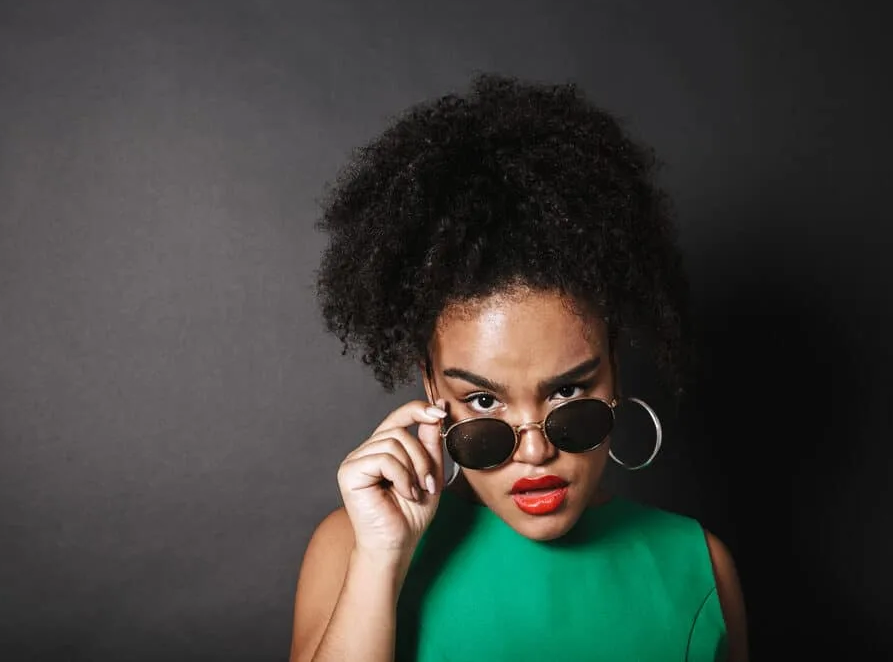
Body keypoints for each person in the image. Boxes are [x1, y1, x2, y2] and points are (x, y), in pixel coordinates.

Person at [289, 73, 748, 662]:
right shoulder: (354, 550)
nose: (533, 453)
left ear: (614, 369)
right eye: (484, 402)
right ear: (433, 389)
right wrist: (381, 562)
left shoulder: (699, 568)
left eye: (567, 392)